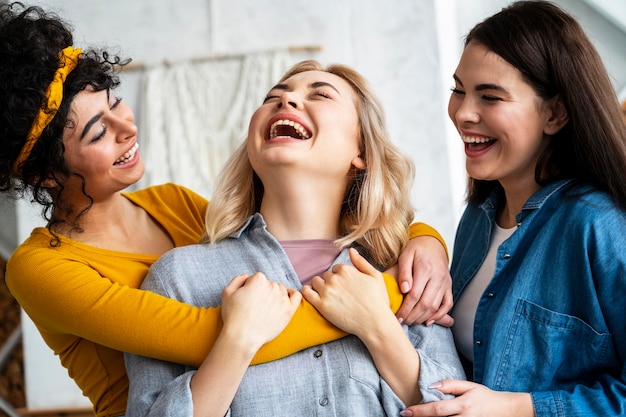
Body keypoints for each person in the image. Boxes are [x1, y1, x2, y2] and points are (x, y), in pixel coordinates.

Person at [0, 3, 453, 416]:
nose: (127, 127)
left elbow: (267, 221)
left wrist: (425, 239)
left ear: (363, 152)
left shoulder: (173, 204)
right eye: (98, 133)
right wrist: (386, 301)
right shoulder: (42, 268)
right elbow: (203, 335)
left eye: (116, 102)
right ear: (45, 175)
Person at [124, 59, 465, 417]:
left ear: (361, 152)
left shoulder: (406, 271)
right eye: (273, 97)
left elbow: (461, 410)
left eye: (320, 95)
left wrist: (378, 327)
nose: (285, 102)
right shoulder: (181, 276)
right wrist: (236, 342)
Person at [401, 1, 626, 416]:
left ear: (555, 113)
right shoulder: (479, 215)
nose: (463, 112)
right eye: (459, 90)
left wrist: (521, 407)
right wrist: (426, 238)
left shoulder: (599, 225)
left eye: (490, 96)